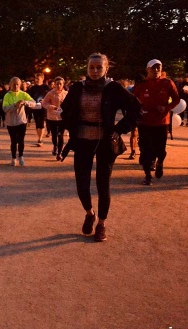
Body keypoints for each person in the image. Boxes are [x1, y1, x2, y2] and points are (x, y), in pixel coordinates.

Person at [61, 53, 140, 241]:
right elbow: (66, 109)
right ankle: (89, 213)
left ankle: (102, 224)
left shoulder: (113, 88)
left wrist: (120, 129)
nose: (95, 71)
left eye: (99, 67)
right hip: (82, 140)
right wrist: (68, 124)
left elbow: (136, 108)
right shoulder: (77, 88)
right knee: (82, 184)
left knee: (103, 184)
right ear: (87, 68)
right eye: (92, 67)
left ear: (106, 69)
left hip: (105, 142)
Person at [132, 59, 180, 185]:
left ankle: (159, 162)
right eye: (153, 68)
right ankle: (147, 176)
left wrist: (166, 108)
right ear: (147, 69)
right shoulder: (142, 84)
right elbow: (133, 100)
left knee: (160, 150)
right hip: (144, 123)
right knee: (145, 150)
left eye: (158, 68)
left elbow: (176, 99)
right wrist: (138, 110)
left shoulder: (167, 83)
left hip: (161, 122)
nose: (156, 70)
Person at [3, 77, 35, 166]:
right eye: (14, 84)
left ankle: (21, 156)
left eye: (17, 84)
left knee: (21, 140)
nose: (16, 86)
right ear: (10, 85)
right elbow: (5, 109)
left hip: (21, 121)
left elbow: (33, 103)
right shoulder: (7, 95)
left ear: (20, 85)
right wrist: (14, 105)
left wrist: (25, 102)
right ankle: (13, 158)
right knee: (13, 141)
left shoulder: (23, 94)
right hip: (11, 122)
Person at [42, 76, 68, 160]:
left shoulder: (66, 94)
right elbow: (44, 103)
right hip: (52, 117)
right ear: (54, 84)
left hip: (62, 118)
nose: (59, 85)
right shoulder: (50, 93)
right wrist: (50, 107)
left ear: (63, 84)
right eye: (57, 84)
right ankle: (55, 146)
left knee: (60, 135)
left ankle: (59, 153)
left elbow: (70, 104)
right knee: (54, 135)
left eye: (60, 84)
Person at [28, 73, 50, 147]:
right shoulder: (32, 88)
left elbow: (50, 96)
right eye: (36, 78)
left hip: (43, 107)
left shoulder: (46, 87)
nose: (36, 80)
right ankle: (39, 137)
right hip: (35, 107)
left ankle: (40, 139)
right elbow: (29, 97)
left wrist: (45, 100)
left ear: (42, 79)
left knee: (42, 122)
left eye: (38, 78)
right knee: (37, 123)